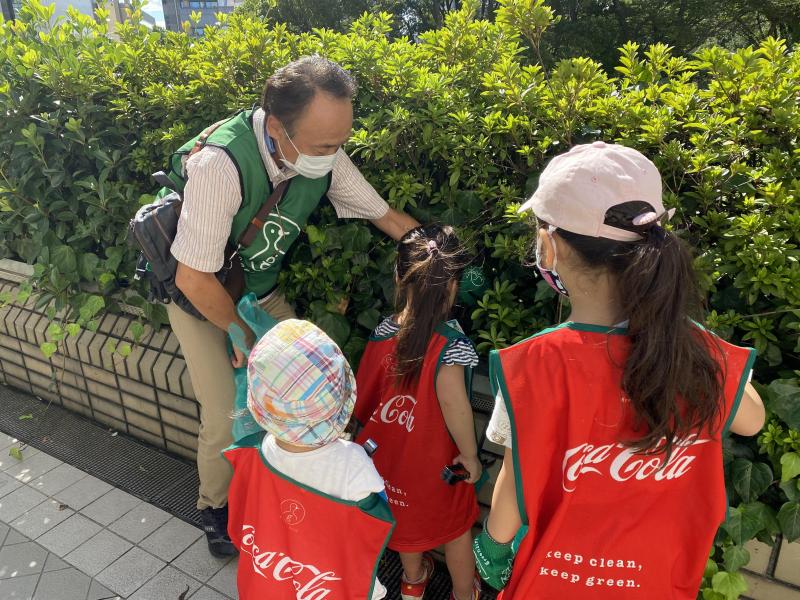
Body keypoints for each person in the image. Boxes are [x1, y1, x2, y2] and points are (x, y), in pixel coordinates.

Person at [474, 142, 766, 599]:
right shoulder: (690, 354)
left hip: (554, 582)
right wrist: (683, 332)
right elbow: (752, 419)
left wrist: (492, 548)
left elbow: (513, 483)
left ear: (548, 246)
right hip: (656, 582)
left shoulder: (532, 365)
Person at [164, 56, 418, 556]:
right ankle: (216, 507)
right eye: (325, 146)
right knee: (227, 409)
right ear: (278, 127)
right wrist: (241, 334)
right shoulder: (222, 164)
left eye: (341, 142)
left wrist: (439, 255)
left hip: (258, 290)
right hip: (201, 297)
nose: (334, 155)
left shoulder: (320, 152)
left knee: (313, 390)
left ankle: (290, 495)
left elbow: (384, 216)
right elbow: (191, 275)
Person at [353, 225, 483, 600]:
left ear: (399, 277)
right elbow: (454, 405)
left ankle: (414, 580)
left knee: (403, 522)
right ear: (453, 286)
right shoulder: (450, 346)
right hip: (440, 469)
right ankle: (464, 592)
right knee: (457, 530)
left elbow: (365, 394)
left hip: (386, 462)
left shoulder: (383, 332)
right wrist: (470, 456)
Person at [224, 319, 394, 599]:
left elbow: (239, 527)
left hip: (267, 587)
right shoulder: (352, 465)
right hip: (327, 585)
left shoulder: (256, 452)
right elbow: (372, 526)